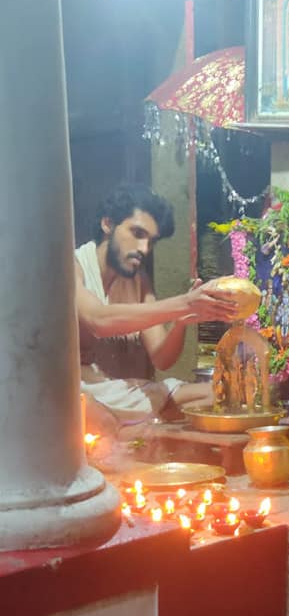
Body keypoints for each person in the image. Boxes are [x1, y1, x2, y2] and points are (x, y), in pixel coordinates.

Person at [76, 184, 238, 434]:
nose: (144, 249)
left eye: (151, 241)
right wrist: (183, 303)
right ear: (107, 224)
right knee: (103, 424)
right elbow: (98, 319)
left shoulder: (137, 280)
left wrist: (181, 321)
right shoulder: (72, 266)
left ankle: (137, 425)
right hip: (71, 390)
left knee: (221, 393)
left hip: (115, 390)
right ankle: (131, 428)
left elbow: (162, 358)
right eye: (137, 233)